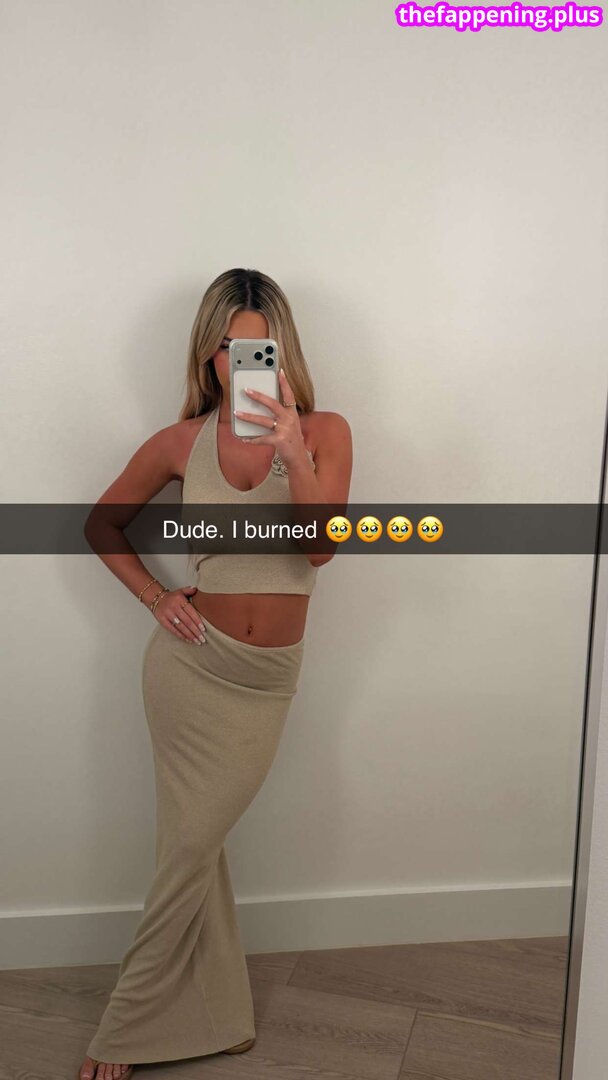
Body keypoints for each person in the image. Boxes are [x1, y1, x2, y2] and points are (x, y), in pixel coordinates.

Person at [78, 268, 353, 1080]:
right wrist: (155, 596)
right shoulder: (180, 443)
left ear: (283, 353)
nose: (243, 364)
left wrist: (292, 452)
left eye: (259, 349)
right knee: (190, 849)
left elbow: (321, 549)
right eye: (228, 349)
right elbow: (101, 524)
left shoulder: (325, 432)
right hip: (188, 671)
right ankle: (135, 1028)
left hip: (263, 682)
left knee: (194, 847)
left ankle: (188, 1016)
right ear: (207, 356)